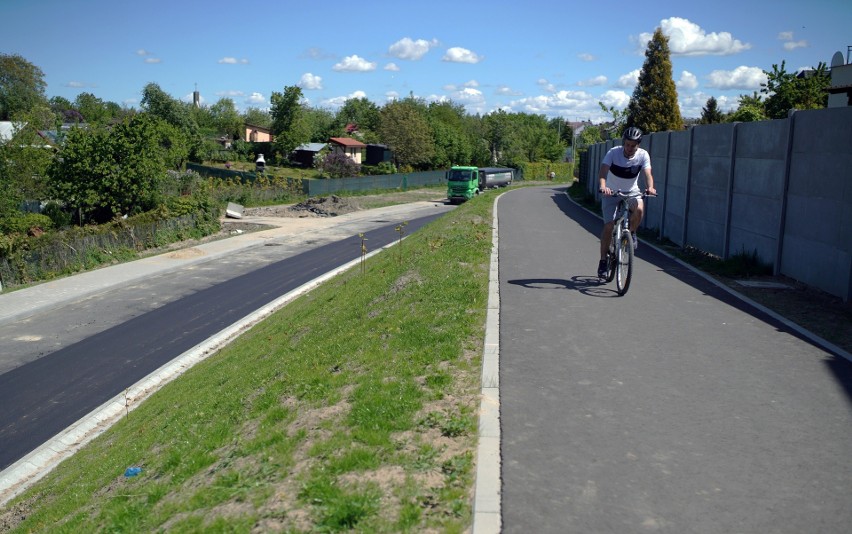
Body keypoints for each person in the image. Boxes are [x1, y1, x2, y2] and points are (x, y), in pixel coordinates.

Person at [597, 127, 656, 278]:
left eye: (633, 146)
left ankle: (632, 233)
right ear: (624, 143)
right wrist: (603, 186)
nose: (629, 148)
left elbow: (647, 173)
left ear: (638, 145)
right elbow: (603, 171)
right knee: (609, 226)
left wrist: (650, 187)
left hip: (631, 192)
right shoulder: (613, 153)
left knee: (640, 209)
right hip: (611, 192)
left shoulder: (643, 155)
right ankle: (603, 262)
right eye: (627, 145)